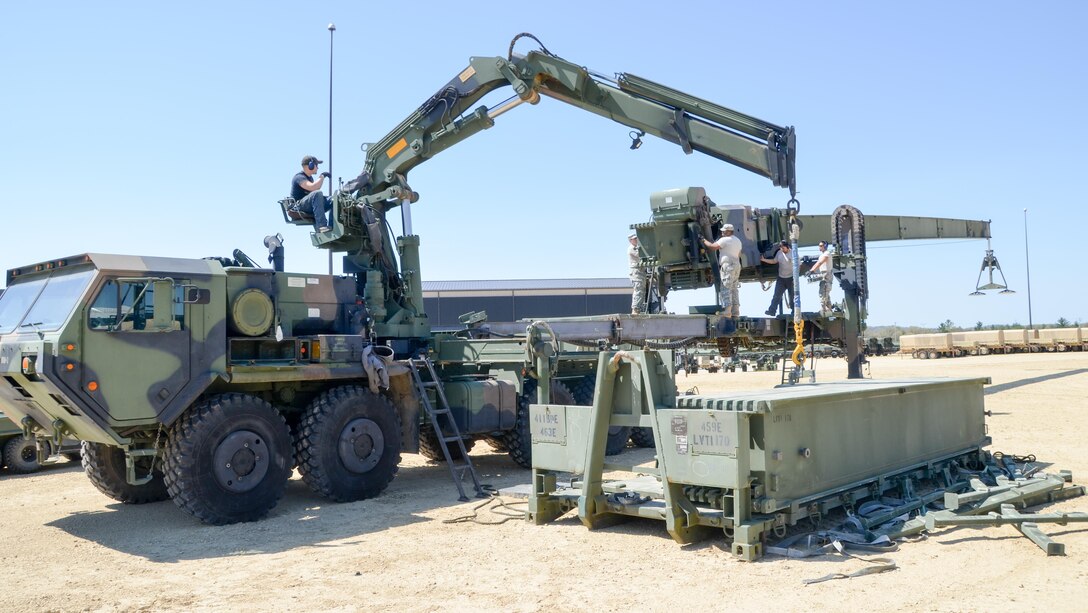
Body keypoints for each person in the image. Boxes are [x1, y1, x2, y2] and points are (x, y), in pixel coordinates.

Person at [701, 224, 742, 317]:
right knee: (734, 288)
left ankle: (727, 311)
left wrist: (703, 240)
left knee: (725, 287)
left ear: (729, 231)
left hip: (728, 266)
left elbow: (712, 246)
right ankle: (736, 311)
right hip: (736, 265)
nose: (722, 232)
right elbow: (739, 254)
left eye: (724, 231)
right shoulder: (738, 240)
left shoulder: (725, 240)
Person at [291, 155, 332, 233]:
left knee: (334, 199)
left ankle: (332, 226)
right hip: (298, 206)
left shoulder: (310, 178)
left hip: (308, 204)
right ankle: (321, 226)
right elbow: (314, 188)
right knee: (317, 194)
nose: (318, 168)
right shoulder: (299, 177)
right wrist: (322, 176)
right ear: (311, 165)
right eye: (316, 165)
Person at [761, 240, 794, 316]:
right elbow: (774, 261)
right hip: (781, 278)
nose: (782, 249)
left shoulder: (792, 254)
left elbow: (798, 265)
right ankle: (772, 311)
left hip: (790, 278)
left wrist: (795, 277)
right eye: (780, 248)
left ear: (787, 247)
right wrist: (764, 260)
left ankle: (794, 311)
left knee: (792, 296)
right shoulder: (779, 252)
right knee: (776, 295)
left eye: (783, 248)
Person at [810, 240, 833, 313]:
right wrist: (811, 270)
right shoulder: (822, 255)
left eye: (821, 246)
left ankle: (824, 309)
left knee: (823, 291)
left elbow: (820, 262)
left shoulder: (827, 254)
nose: (819, 247)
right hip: (823, 274)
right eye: (819, 245)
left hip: (826, 274)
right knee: (825, 292)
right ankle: (828, 308)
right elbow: (818, 262)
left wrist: (812, 270)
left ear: (825, 246)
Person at [628, 233, 647, 315]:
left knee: (642, 290)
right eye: (634, 239)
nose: (636, 240)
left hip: (640, 271)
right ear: (630, 240)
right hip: (636, 271)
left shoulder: (637, 248)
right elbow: (640, 255)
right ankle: (635, 308)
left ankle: (638, 308)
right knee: (638, 289)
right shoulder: (631, 249)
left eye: (636, 238)